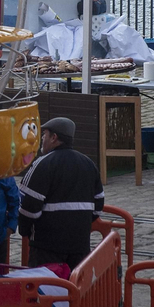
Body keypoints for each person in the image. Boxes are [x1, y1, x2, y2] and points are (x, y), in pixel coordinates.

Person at [17, 116, 104, 270]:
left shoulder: (42, 164)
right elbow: (98, 205)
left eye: (45, 135)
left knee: (45, 290)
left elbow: (28, 206)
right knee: (76, 289)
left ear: (54, 137)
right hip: (79, 245)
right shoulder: (88, 164)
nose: (42, 139)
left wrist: (25, 231)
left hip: (46, 247)